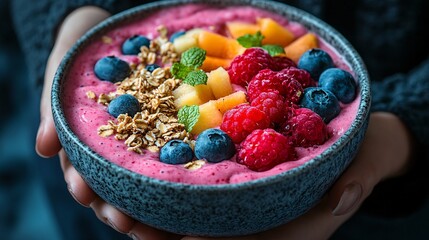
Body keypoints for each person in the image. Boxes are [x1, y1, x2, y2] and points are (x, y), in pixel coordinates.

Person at [10, 0, 429, 239]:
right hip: (100, 207)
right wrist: (71, 15)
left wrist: (406, 123)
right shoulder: (178, 78)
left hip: (375, 209)